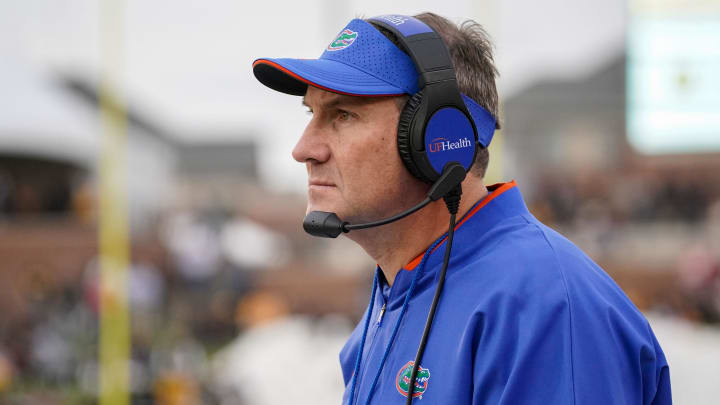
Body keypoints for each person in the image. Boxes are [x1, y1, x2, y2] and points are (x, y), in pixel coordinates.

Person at [252, 12, 671, 405]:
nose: (303, 149)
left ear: (438, 137)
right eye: (312, 113)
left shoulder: (545, 310)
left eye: (343, 115)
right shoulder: (392, 301)